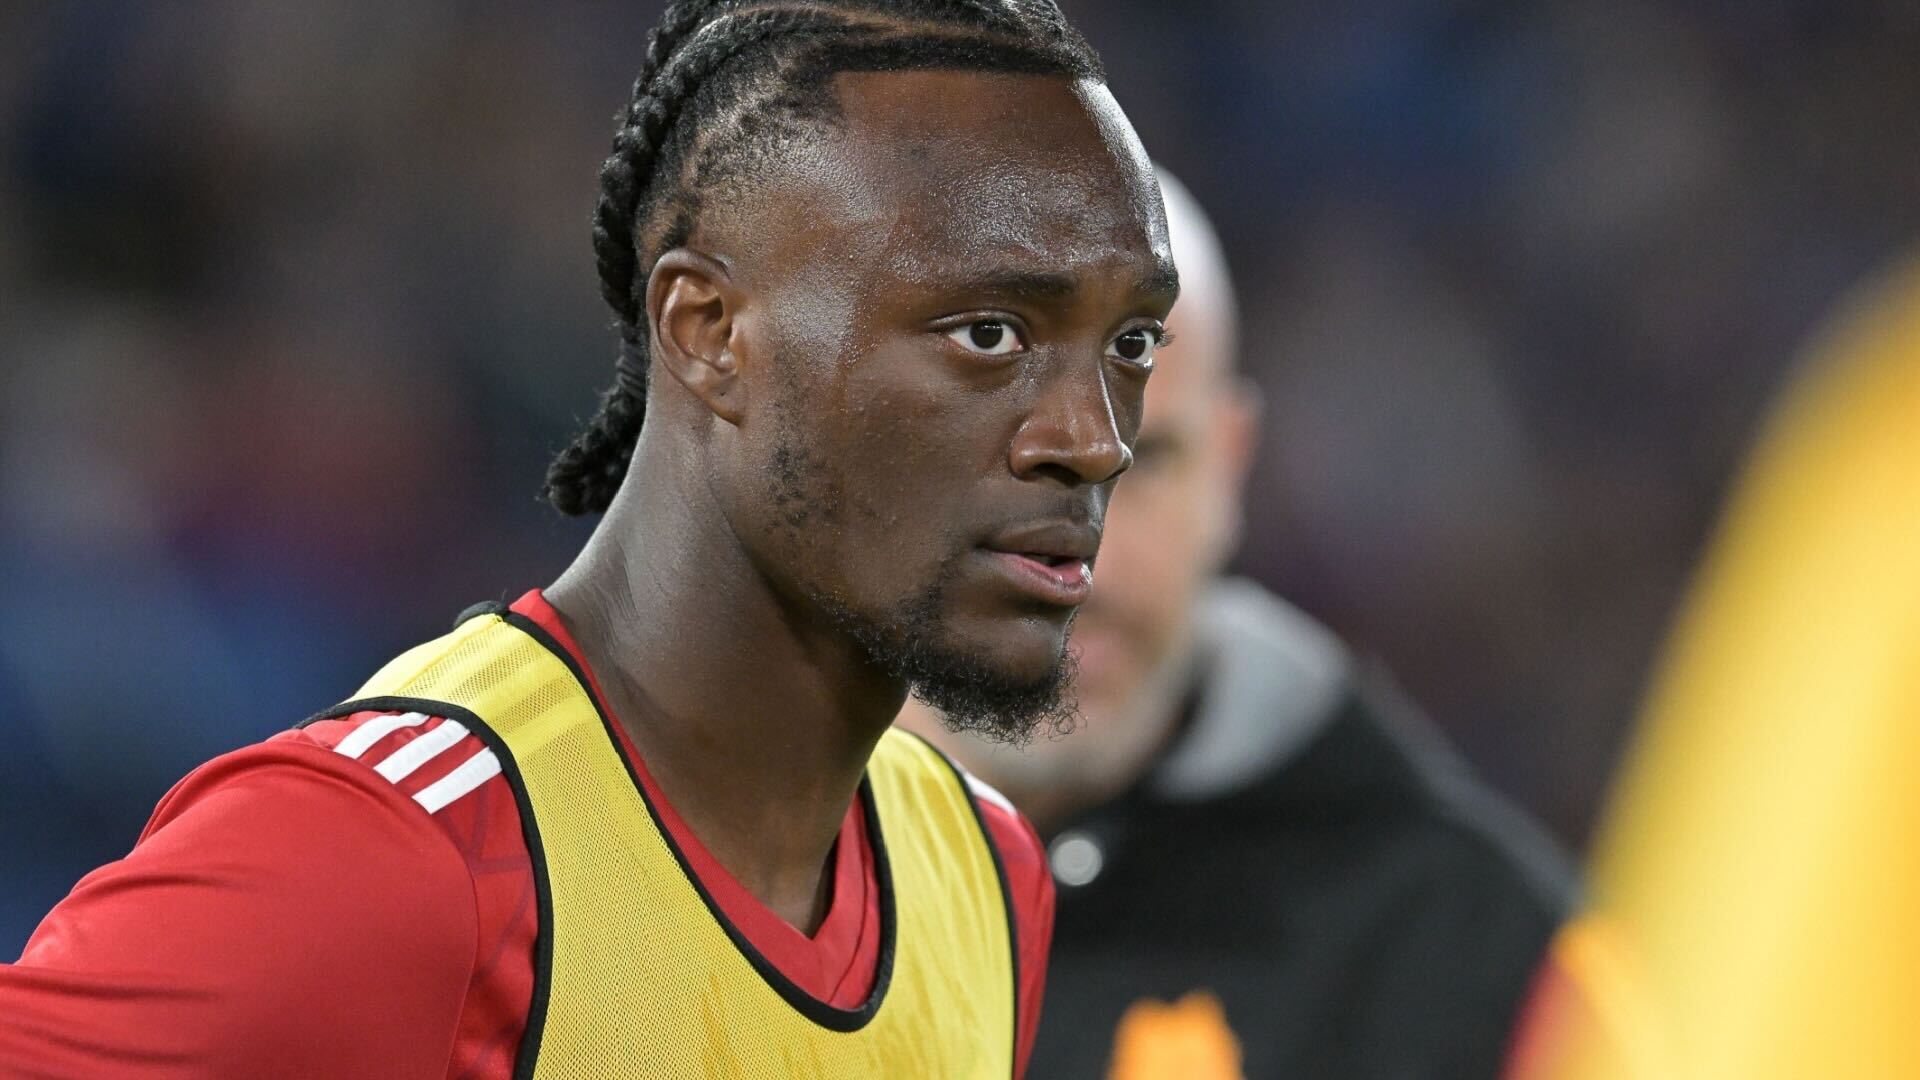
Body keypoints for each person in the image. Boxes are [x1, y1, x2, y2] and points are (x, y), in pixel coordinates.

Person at [0, 3, 1180, 1076]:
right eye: (987, 334)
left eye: (1131, 345)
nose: (1093, 440)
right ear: (709, 331)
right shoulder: (405, 860)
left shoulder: (985, 875)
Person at [899, 171, 1575, 1079]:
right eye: (1009, 461)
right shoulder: (704, 893)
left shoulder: (1480, 962)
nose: (1085, 564)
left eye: (1146, 464)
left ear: (1230, 463)